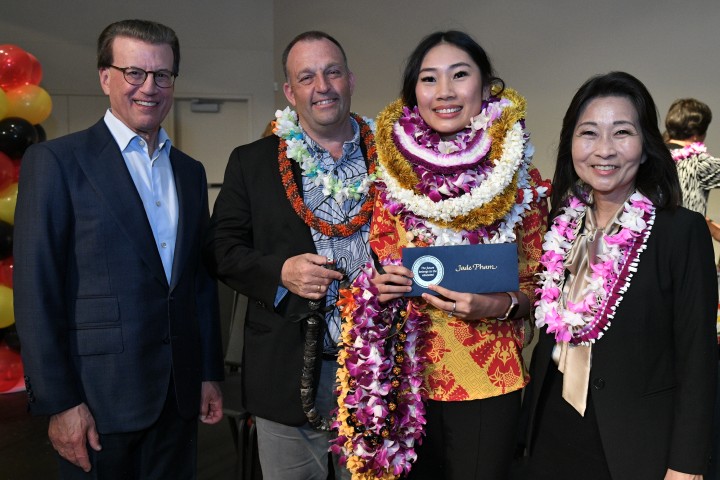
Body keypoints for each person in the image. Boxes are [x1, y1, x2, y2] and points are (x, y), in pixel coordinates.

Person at [331, 31, 549, 479]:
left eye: (460, 75)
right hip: (404, 380)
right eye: (429, 79)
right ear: (414, 94)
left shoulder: (521, 177)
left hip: (489, 381)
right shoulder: (392, 175)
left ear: (487, 86)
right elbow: (378, 266)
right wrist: (380, 283)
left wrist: (498, 304)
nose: (445, 92)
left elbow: (539, 289)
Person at [13, 19, 224, 479]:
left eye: (162, 75)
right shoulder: (56, 162)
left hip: (178, 398)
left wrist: (207, 372)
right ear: (105, 77)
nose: (149, 87)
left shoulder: (190, 171)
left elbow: (197, 284)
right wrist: (61, 402)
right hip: (97, 402)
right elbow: (35, 292)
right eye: (134, 73)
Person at [524, 72, 717, 480]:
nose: (604, 150)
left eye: (622, 132)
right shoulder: (560, 224)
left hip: (635, 445)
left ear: (647, 146)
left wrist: (686, 465)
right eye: (589, 133)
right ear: (571, 143)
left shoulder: (680, 232)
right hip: (550, 435)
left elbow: (698, 360)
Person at [204, 31, 375, 479]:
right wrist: (279, 272)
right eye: (307, 76)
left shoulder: (394, 158)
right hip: (289, 369)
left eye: (332, 72)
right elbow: (219, 249)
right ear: (289, 91)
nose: (322, 86)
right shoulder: (253, 162)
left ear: (351, 79)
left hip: (381, 372)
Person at [663, 98, 720, 217]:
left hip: (653, 233)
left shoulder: (649, 158)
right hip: (687, 233)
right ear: (695, 134)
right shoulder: (699, 163)